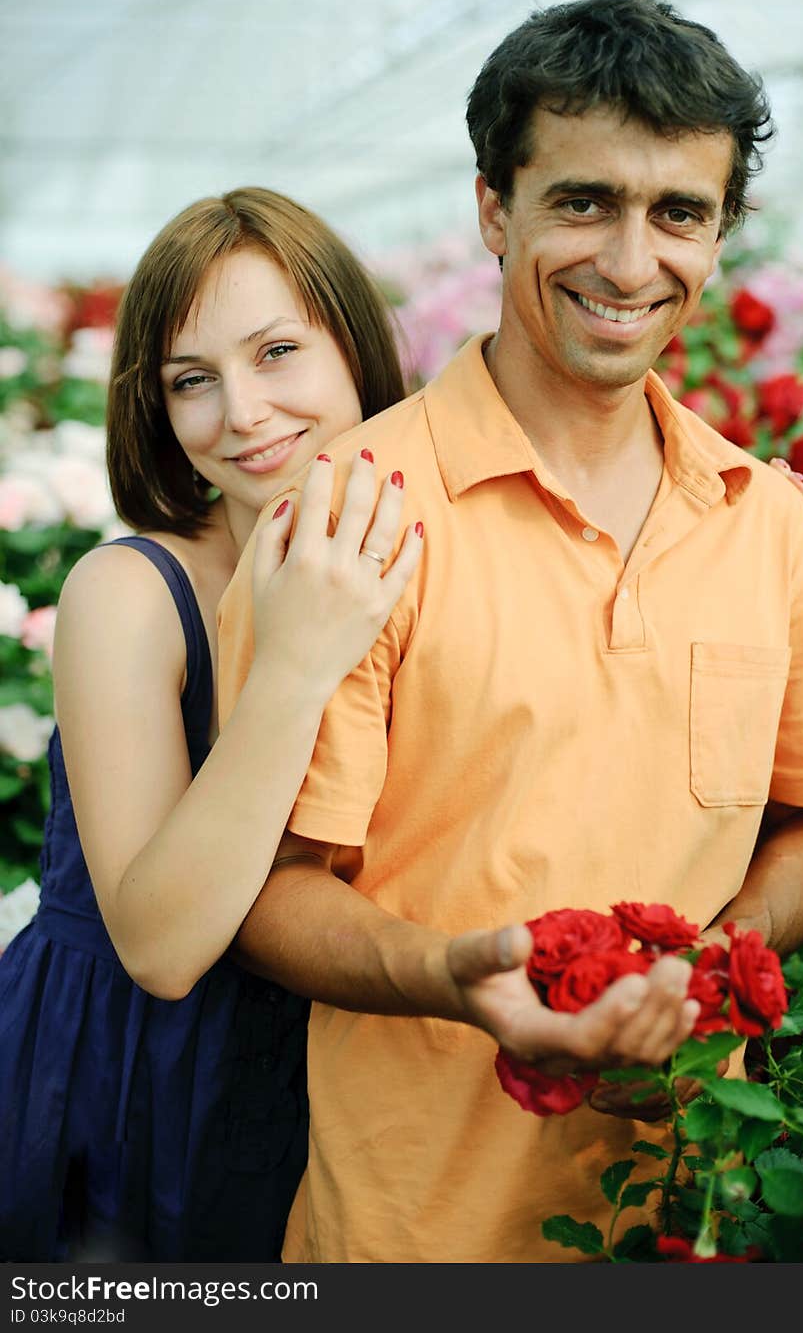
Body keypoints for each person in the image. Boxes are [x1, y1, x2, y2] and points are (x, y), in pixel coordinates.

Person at [216, 0, 803, 1264]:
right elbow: (275, 894)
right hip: (416, 1230)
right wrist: (453, 975)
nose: (632, 263)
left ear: (721, 232)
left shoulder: (765, 518)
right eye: (582, 202)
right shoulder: (354, 512)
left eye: (678, 213)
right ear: (492, 208)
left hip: (694, 1207)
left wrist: (715, 962)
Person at [0, 186, 423, 1261]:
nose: (240, 412)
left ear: (357, 351)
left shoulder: (422, 553)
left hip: (328, 1075)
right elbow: (162, 946)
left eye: (277, 352)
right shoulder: (131, 593)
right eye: (194, 380)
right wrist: (294, 658)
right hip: (127, 1081)